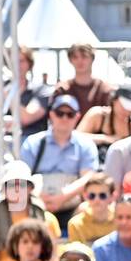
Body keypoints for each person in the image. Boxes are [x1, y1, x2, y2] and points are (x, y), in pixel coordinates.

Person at [19, 93, 99, 224]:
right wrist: (37, 196)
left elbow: (88, 177)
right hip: (37, 205)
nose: (64, 118)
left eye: (70, 114)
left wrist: (63, 196)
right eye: (60, 113)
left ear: (77, 117)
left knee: (89, 209)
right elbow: (22, 176)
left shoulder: (85, 145)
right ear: (51, 114)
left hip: (73, 207)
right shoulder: (33, 142)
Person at [0, 160, 61, 261]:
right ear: (4, 189)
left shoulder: (47, 219)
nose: (16, 189)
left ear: (30, 188)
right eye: (11, 185)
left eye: (21, 184)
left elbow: (53, 259)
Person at [78, 85, 131, 156]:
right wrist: (104, 139)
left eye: (130, 109)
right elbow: (76, 138)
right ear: (114, 100)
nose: (126, 111)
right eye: (123, 106)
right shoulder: (98, 115)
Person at [53, 41, 114, 113]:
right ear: (70, 60)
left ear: (92, 58)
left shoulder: (104, 89)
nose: (80, 60)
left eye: (84, 56)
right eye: (75, 57)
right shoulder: (62, 89)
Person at [67, 173, 117, 246]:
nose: (97, 200)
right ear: (85, 196)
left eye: (102, 195)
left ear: (112, 196)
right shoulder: (75, 224)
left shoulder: (120, 220)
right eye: (92, 196)